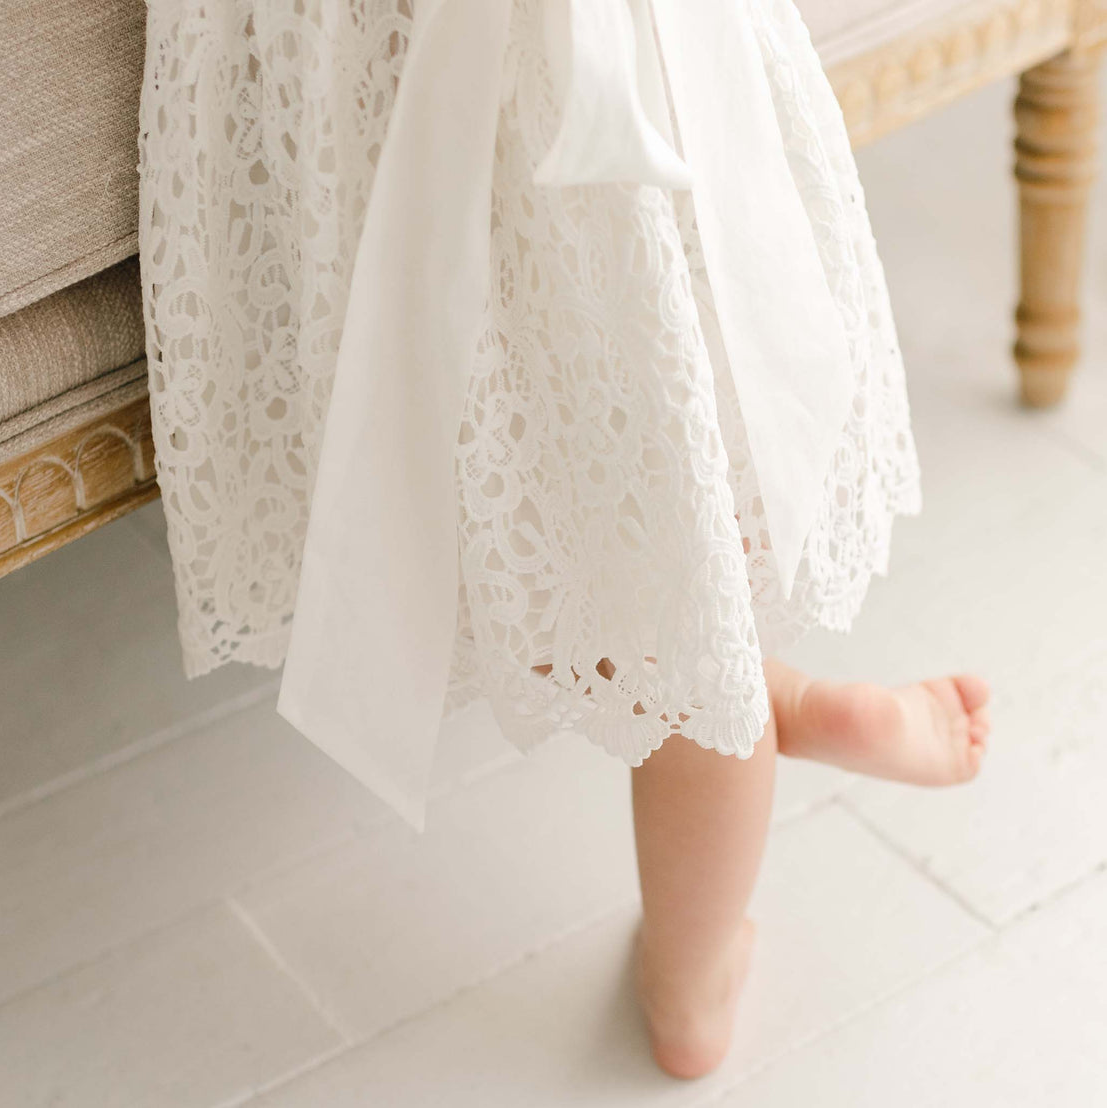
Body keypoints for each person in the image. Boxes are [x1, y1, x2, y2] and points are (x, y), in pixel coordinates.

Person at [137, 0, 992, 1081]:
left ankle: (755, 742)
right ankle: (696, 965)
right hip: (597, 83)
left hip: (353, 62)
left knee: (495, 531)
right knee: (678, 572)